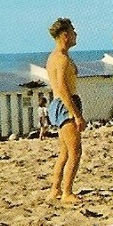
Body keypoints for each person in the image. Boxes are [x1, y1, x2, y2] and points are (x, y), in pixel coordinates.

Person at [46, 18, 86, 204]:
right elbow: (62, 87)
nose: (76, 34)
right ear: (65, 35)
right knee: (75, 152)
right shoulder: (60, 58)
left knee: (64, 152)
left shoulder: (56, 56)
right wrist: (76, 115)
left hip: (59, 103)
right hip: (65, 104)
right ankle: (67, 193)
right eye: (73, 30)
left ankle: (55, 189)